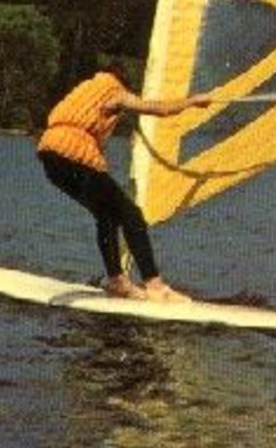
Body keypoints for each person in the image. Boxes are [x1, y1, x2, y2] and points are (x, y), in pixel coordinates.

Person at [36, 65, 211, 302]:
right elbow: (158, 109)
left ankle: (116, 280)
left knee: (106, 215)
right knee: (132, 215)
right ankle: (155, 285)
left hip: (49, 156)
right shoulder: (113, 89)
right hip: (75, 155)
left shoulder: (85, 88)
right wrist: (192, 101)